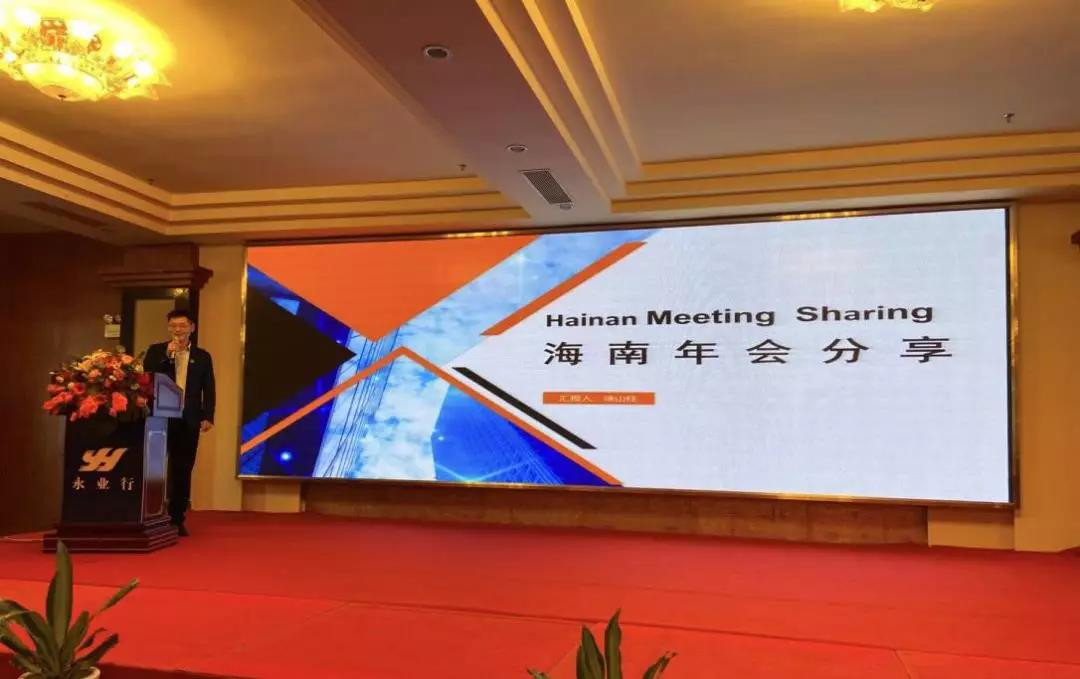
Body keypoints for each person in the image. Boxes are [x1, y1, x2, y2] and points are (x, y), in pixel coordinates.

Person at [143, 309, 215, 537]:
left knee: (182, 469)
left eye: (182, 326)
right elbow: (147, 377)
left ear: (192, 328)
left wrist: (207, 415)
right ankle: (150, 515)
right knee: (153, 467)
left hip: (189, 418)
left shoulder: (202, 356)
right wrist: (168, 355)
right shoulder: (156, 351)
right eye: (173, 326)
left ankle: (176, 517)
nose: (178, 330)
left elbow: (209, 388)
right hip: (160, 417)